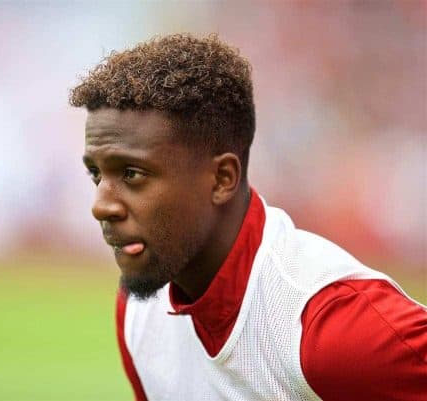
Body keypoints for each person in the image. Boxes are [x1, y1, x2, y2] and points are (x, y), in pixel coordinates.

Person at [69, 34, 426, 401]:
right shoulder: (140, 314)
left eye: (131, 174)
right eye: (96, 174)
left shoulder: (332, 328)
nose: (101, 205)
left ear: (223, 178)